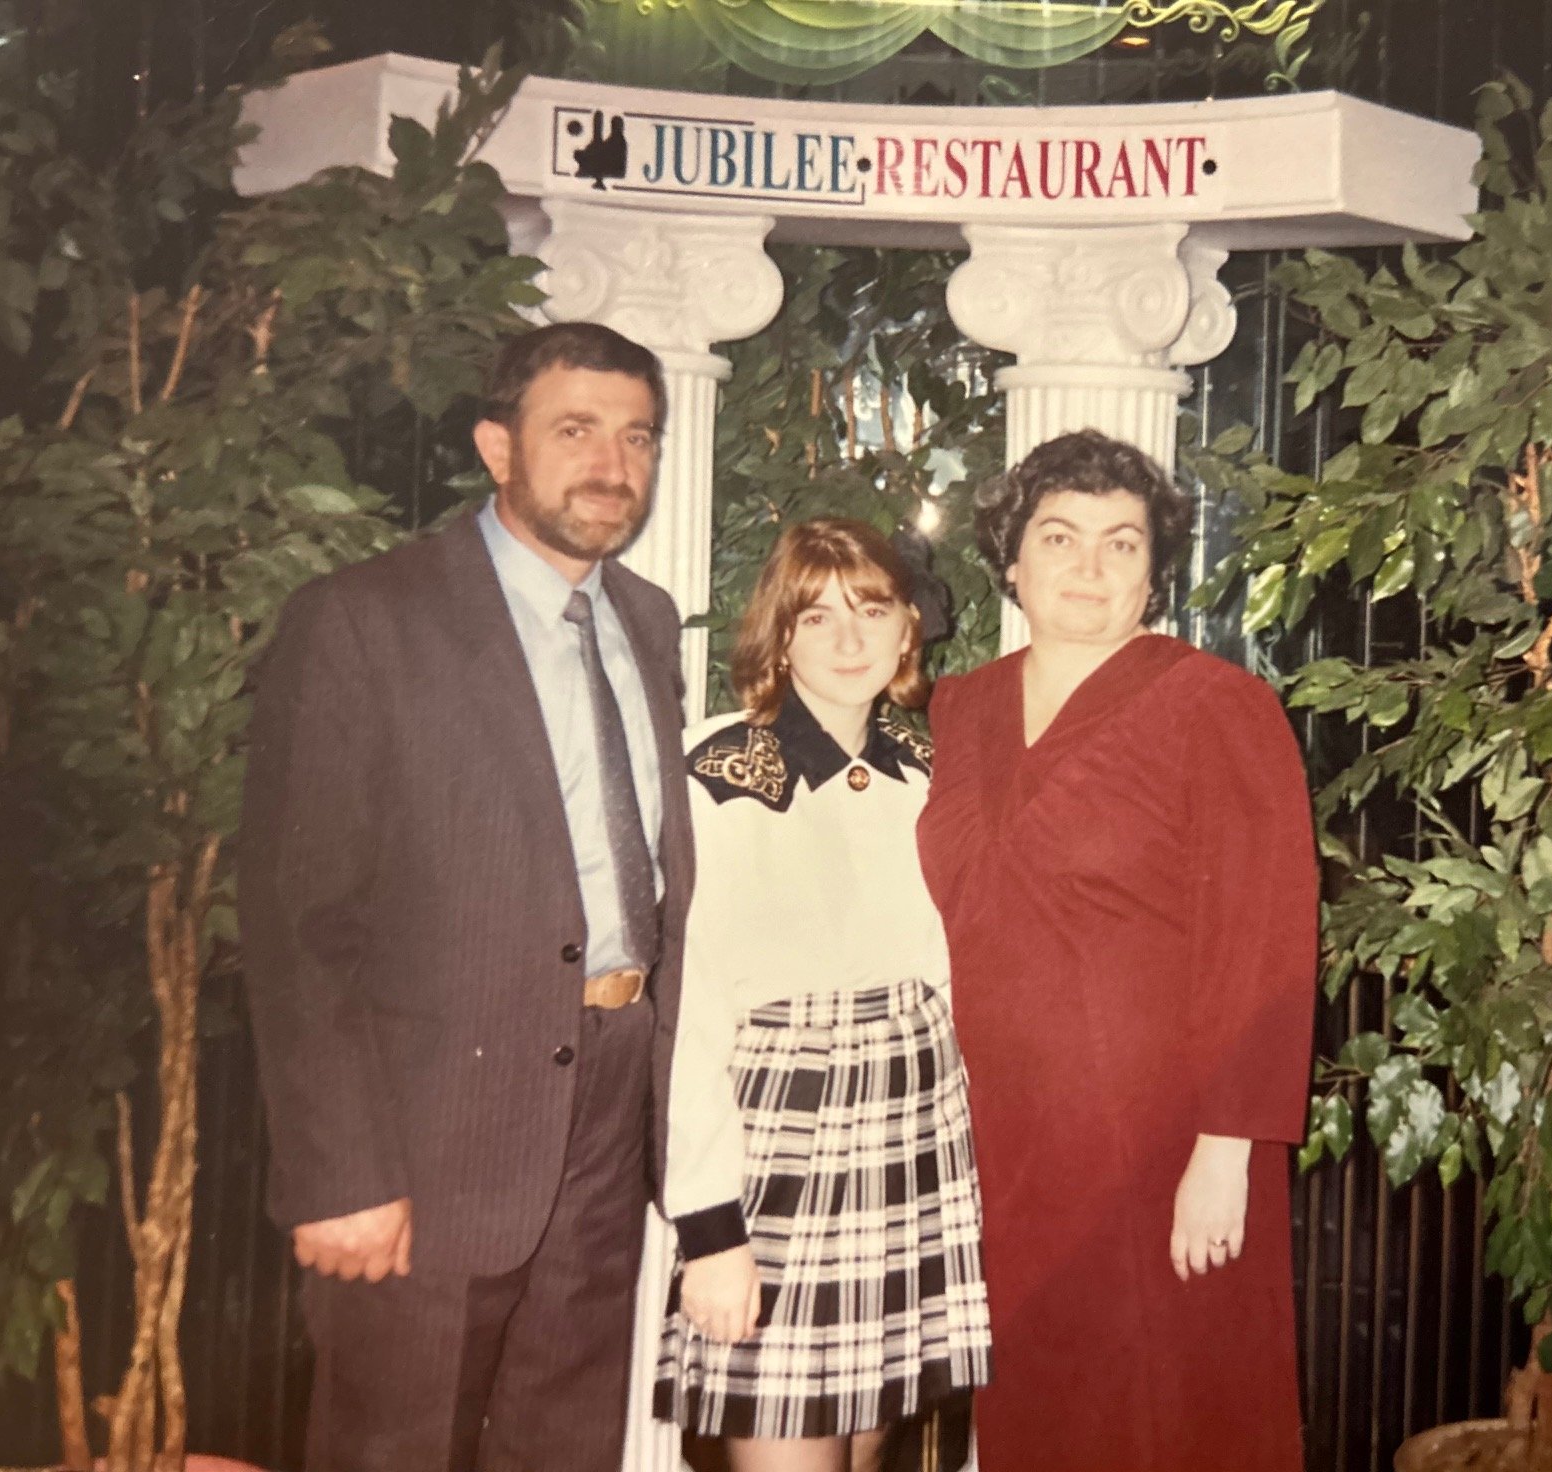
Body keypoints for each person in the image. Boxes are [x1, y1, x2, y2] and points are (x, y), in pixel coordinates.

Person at [240, 321, 695, 1472]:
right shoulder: (366, 620)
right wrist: (341, 1173)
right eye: (576, 430)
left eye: (636, 436)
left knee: (563, 1444)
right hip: (429, 1136)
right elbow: (302, 924)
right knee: (398, 1446)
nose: (613, 465)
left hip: (608, 1105)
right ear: (499, 447)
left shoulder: (643, 621)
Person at [916, 429, 1318, 1472]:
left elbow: (1263, 934)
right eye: (1060, 536)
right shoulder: (956, 710)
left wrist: (1226, 1147)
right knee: (1040, 1416)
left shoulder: (1215, 704)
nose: (1088, 567)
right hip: (1002, 1143)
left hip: (1161, 1143)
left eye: (1120, 543)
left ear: (1154, 572)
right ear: (1012, 560)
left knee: (1167, 1416)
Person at [645, 519, 991, 1472]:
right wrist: (710, 1230)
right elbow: (686, 1017)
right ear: (779, 635)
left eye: (871, 610)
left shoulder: (931, 773)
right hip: (777, 1157)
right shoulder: (711, 773)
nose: (848, 641)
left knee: (871, 1451)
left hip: (914, 1140)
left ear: (907, 629)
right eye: (817, 615)